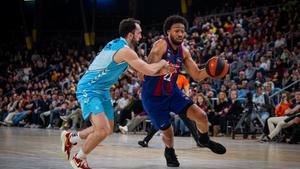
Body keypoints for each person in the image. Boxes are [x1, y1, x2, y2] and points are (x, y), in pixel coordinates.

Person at [60, 18, 176, 169]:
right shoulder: (125, 51)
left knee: (107, 128)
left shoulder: (123, 47)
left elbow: (141, 73)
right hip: (89, 88)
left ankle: (71, 137)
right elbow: (148, 69)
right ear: (130, 34)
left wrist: (162, 71)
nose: (141, 36)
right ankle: (78, 159)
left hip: (102, 90)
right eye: (139, 33)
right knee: (101, 130)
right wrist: (163, 63)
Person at [141, 15, 226, 167]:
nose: (180, 34)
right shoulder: (161, 45)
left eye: (182, 31)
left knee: (202, 116)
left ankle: (204, 139)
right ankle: (169, 151)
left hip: (172, 93)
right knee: (168, 132)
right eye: (176, 31)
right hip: (153, 97)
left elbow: (197, 75)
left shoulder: (184, 52)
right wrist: (161, 67)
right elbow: (145, 70)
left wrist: (211, 69)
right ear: (168, 32)